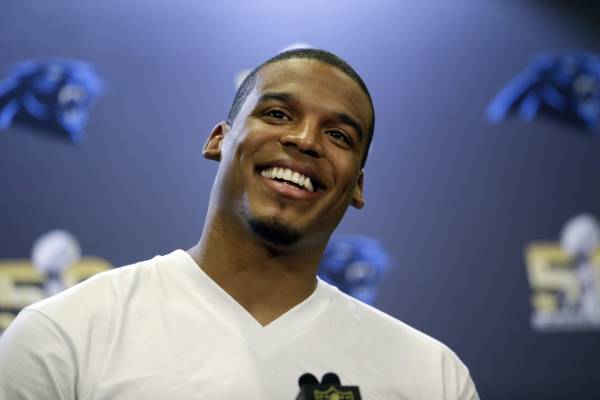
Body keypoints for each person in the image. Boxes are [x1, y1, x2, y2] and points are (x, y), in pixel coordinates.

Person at [0, 48, 479, 399]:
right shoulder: (64, 336)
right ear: (217, 141)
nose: (305, 140)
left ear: (357, 186)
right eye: (277, 113)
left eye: (338, 134)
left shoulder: (431, 377)